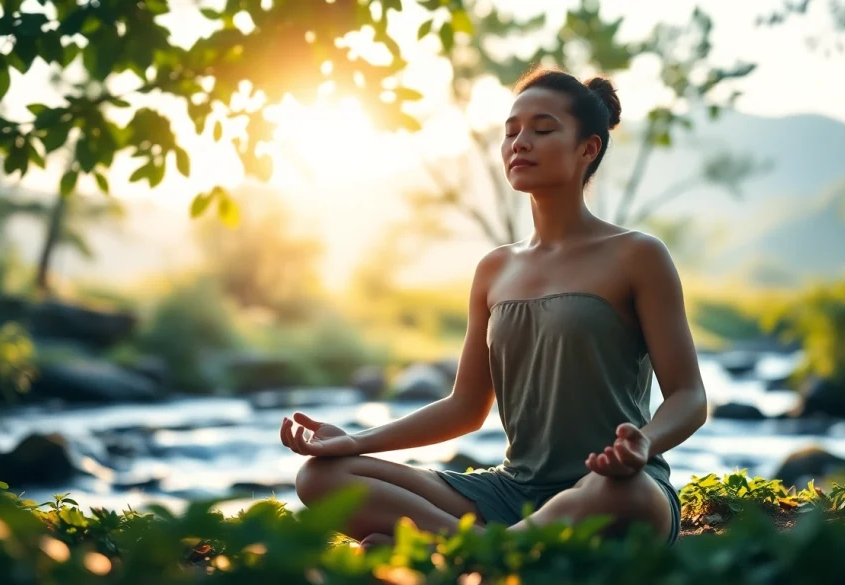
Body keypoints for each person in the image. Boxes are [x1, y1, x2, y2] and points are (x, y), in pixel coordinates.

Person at [279, 68, 707, 548]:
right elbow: (465, 407)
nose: (519, 142)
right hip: (510, 493)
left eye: (542, 130)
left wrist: (642, 444)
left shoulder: (638, 255)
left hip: (615, 490)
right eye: (511, 131)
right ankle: (494, 550)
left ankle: (466, 550)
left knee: (618, 493)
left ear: (588, 148)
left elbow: (689, 396)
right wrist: (356, 442)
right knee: (320, 478)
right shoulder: (494, 268)